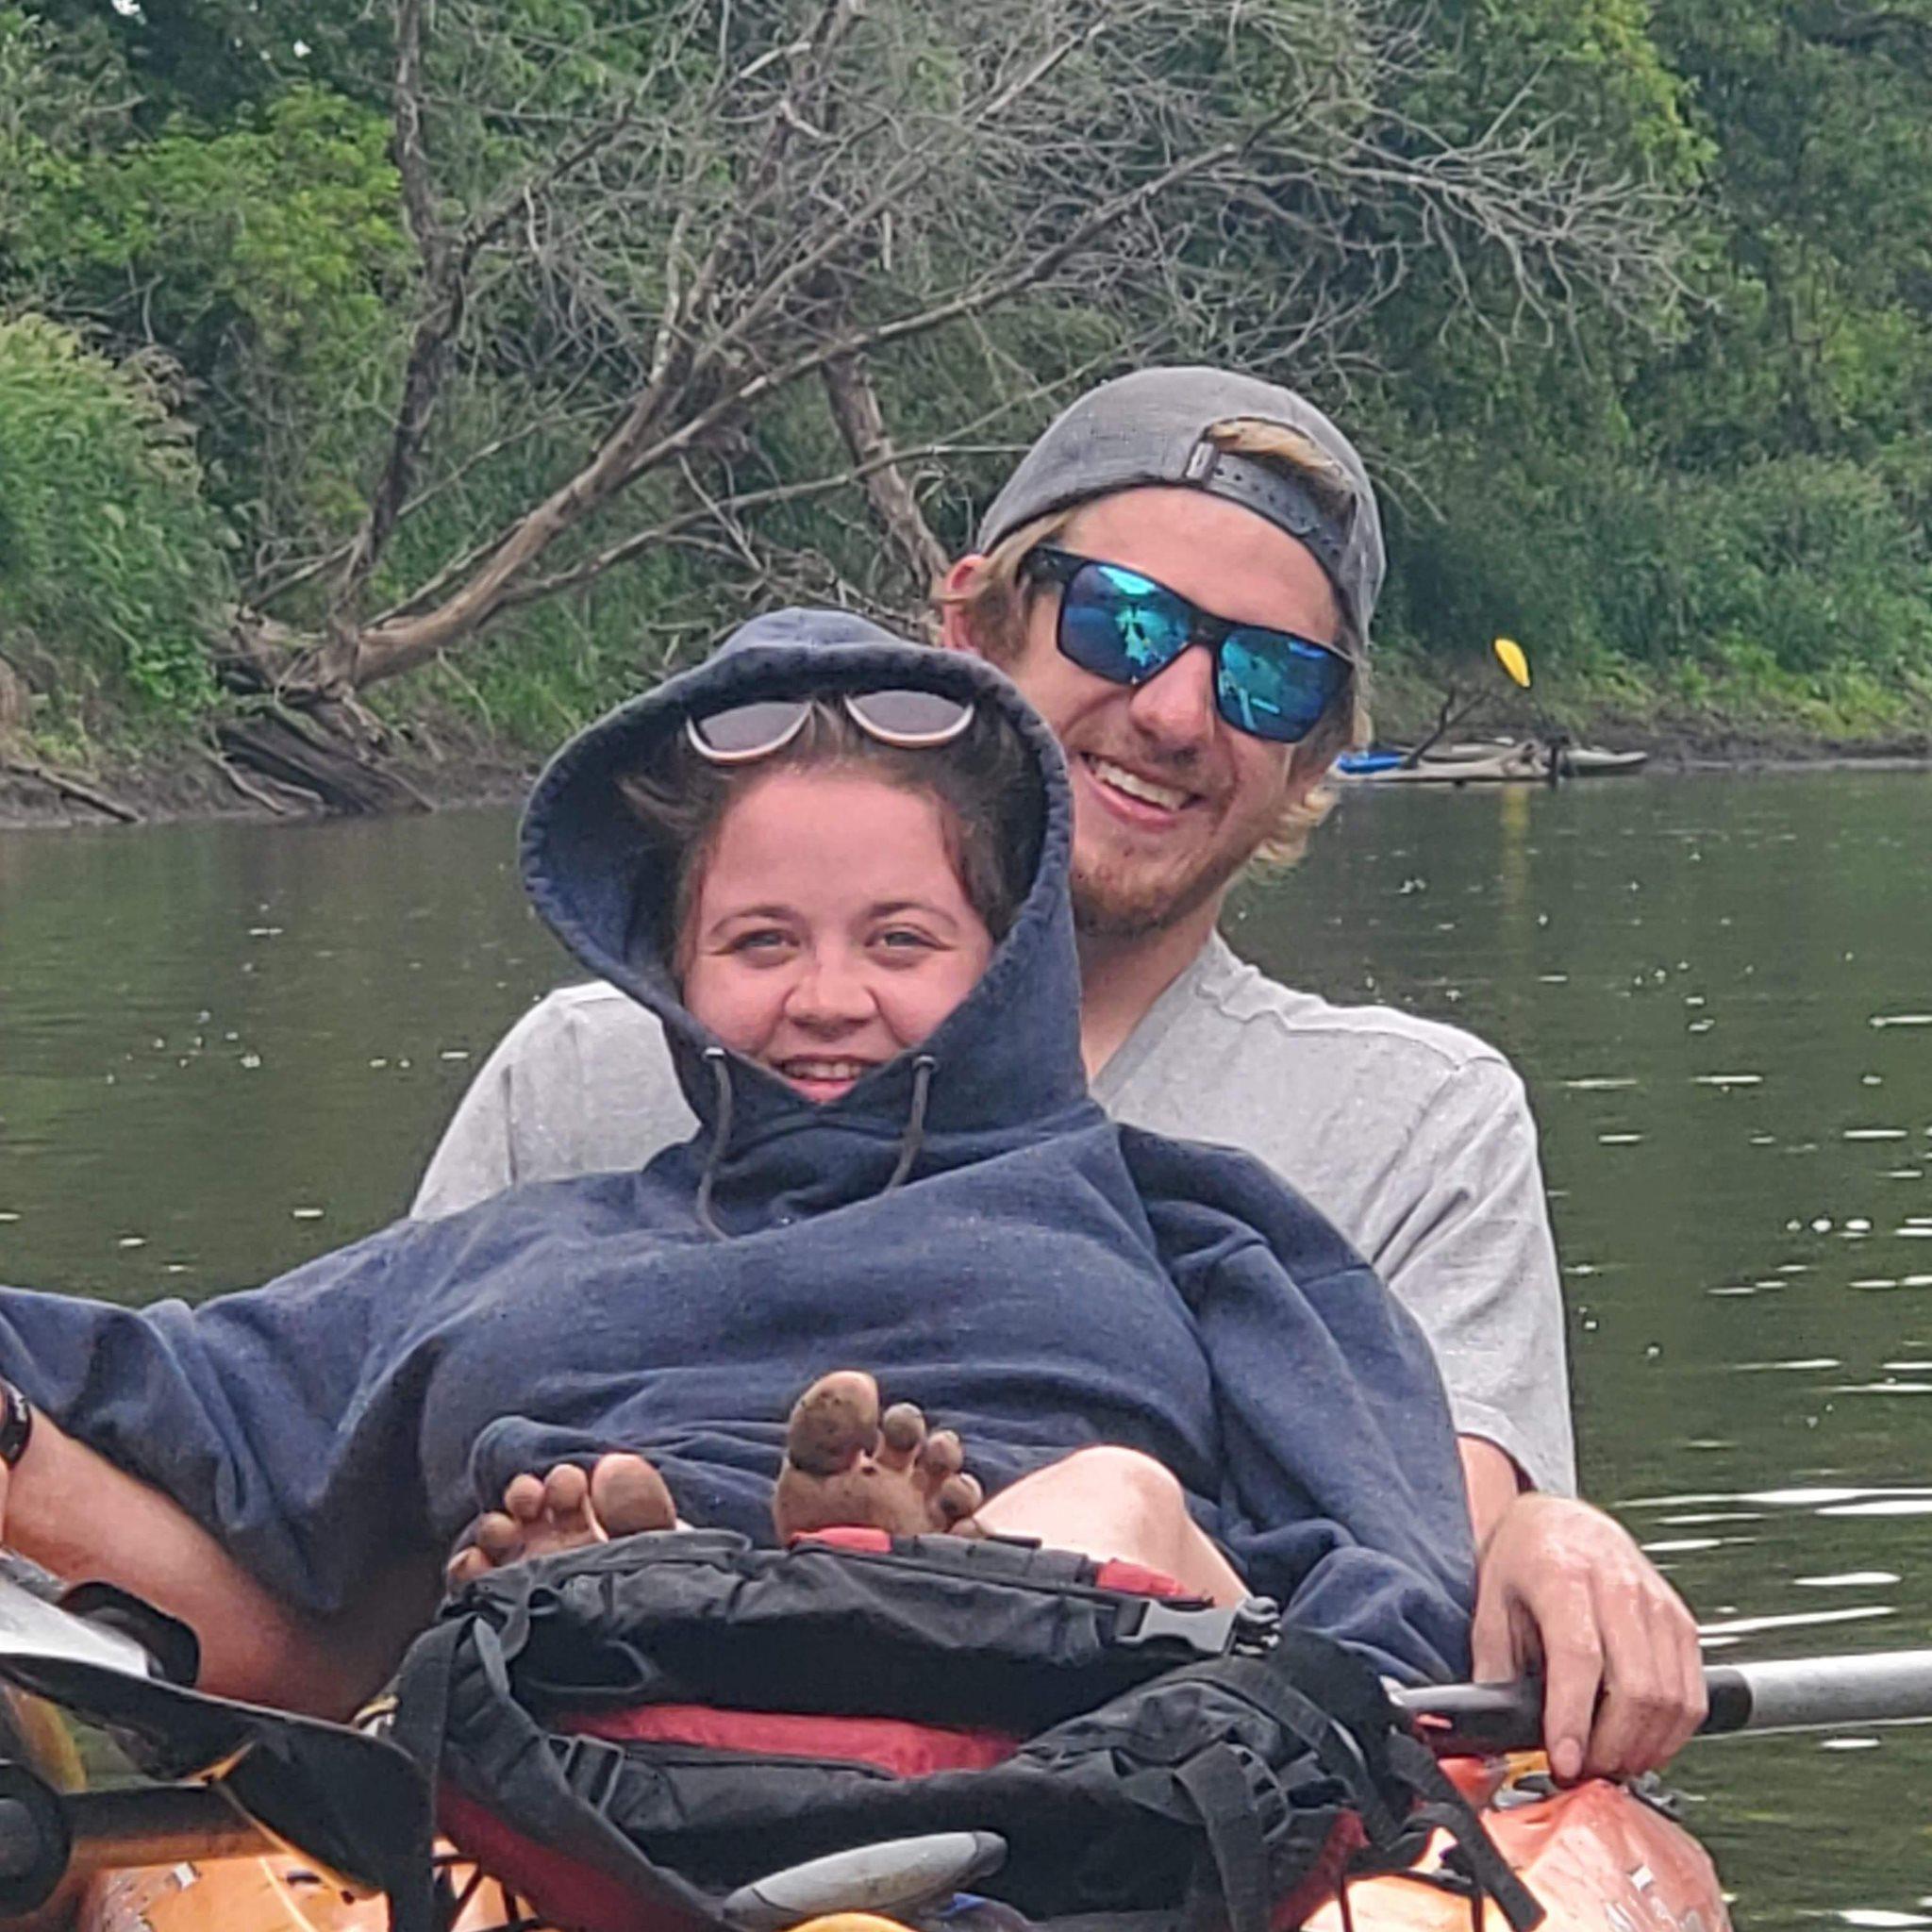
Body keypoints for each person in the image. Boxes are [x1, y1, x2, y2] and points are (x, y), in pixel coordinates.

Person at [413, 368, 1707, 1782]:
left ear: (1311, 762)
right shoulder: (582, 1072)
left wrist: (1546, 1530)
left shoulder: (1416, 1123)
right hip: (604, 1785)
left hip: (1158, 1797)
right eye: (1124, 620)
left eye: (1270, 677)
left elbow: (1426, 1574)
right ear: (973, 630)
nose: (1178, 712)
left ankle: (915, 1596)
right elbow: (368, 1491)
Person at [0, 612, 1474, 1718]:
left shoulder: (1187, 1224)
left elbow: (1389, 1573)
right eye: (761, 943)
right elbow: (169, 1383)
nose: (828, 997)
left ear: (1007, 955)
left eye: (901, 940)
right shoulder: (518, 1254)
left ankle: (854, 1579)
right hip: (608, 1754)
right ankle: (654, 1595)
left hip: (1085, 1702)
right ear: (674, 970)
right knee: (557, 1555)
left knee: (1109, 1499)